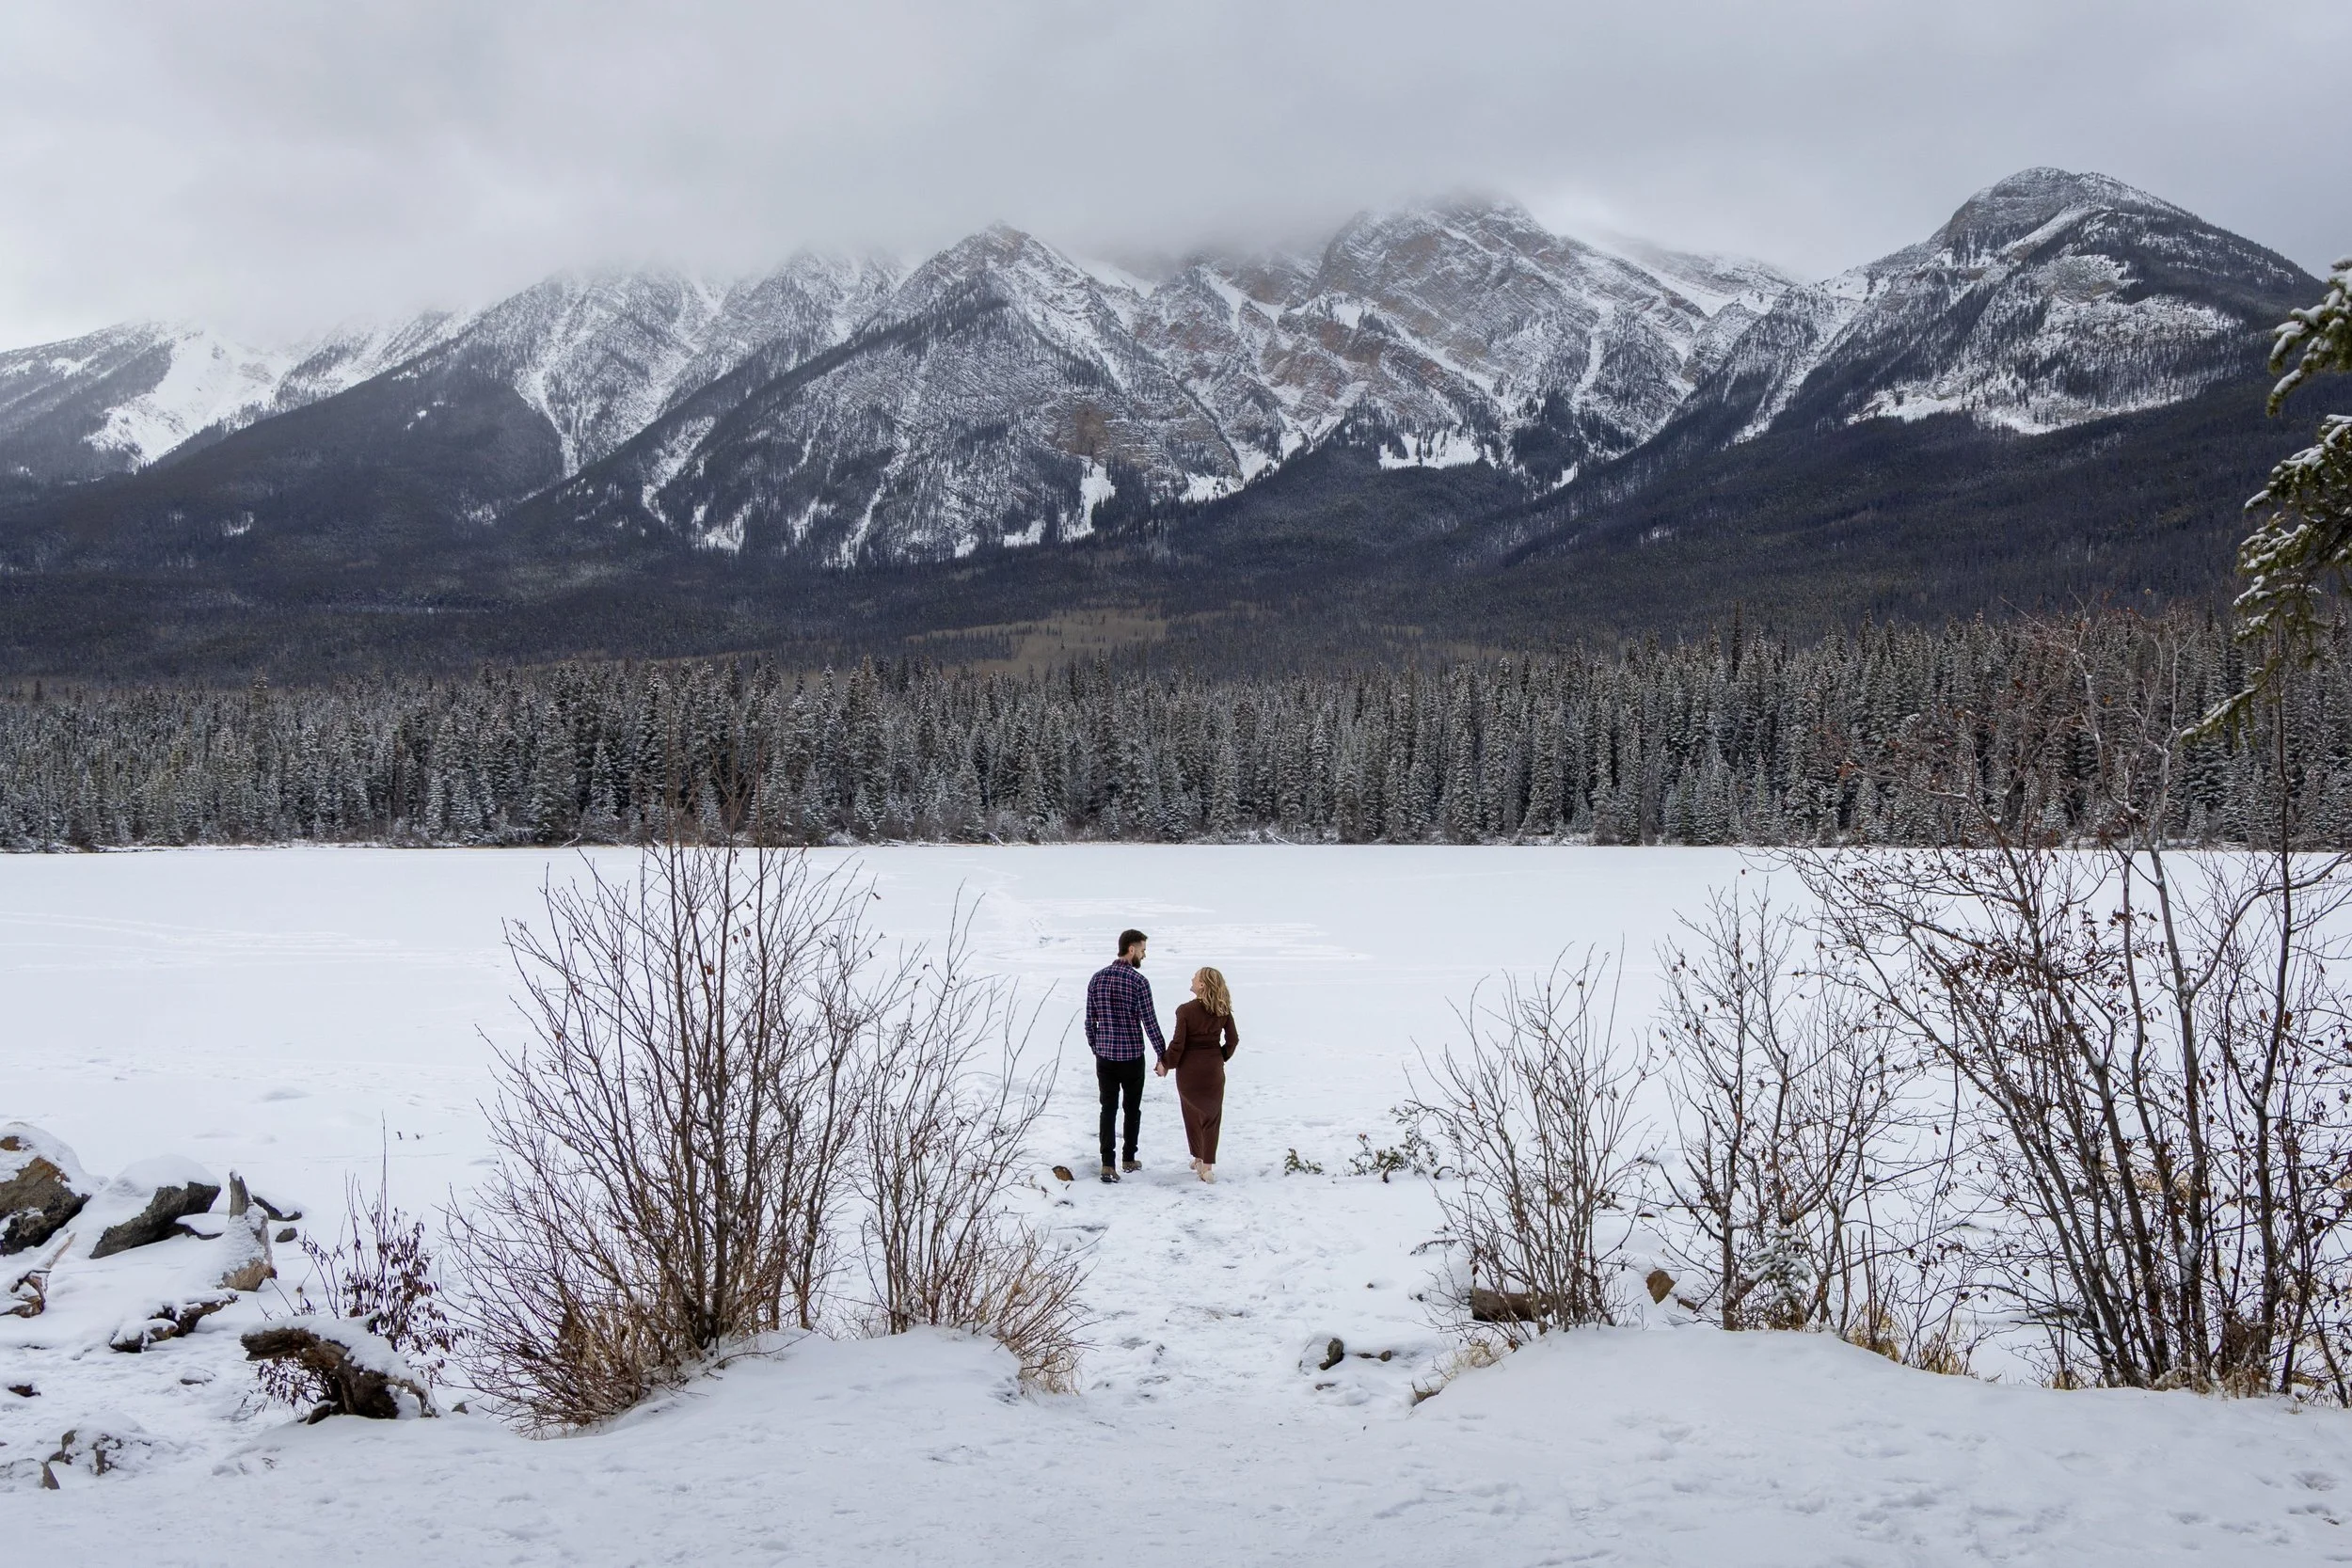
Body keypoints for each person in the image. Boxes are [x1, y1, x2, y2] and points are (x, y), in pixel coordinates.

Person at [1084, 928, 1166, 1183]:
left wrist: (1097, 1047)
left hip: (1105, 1057)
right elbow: (1149, 1022)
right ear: (1131, 949)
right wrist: (1162, 1055)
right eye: (1143, 950)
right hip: (1131, 1056)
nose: (1144, 955)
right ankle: (1128, 1158)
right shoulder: (1139, 982)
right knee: (1132, 1109)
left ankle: (1107, 1164)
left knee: (1107, 1109)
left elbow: (1090, 1020)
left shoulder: (1097, 978)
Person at [1160, 966, 1238, 1182]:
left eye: (1195, 977)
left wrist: (1165, 1064)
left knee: (1191, 1113)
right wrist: (1220, 1057)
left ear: (1202, 985)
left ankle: (1198, 1158)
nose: (1192, 979)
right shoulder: (1223, 1010)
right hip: (1213, 1068)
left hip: (1189, 1070)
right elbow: (1233, 1040)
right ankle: (1207, 1166)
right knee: (1212, 1116)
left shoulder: (1185, 1010)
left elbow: (1178, 1044)